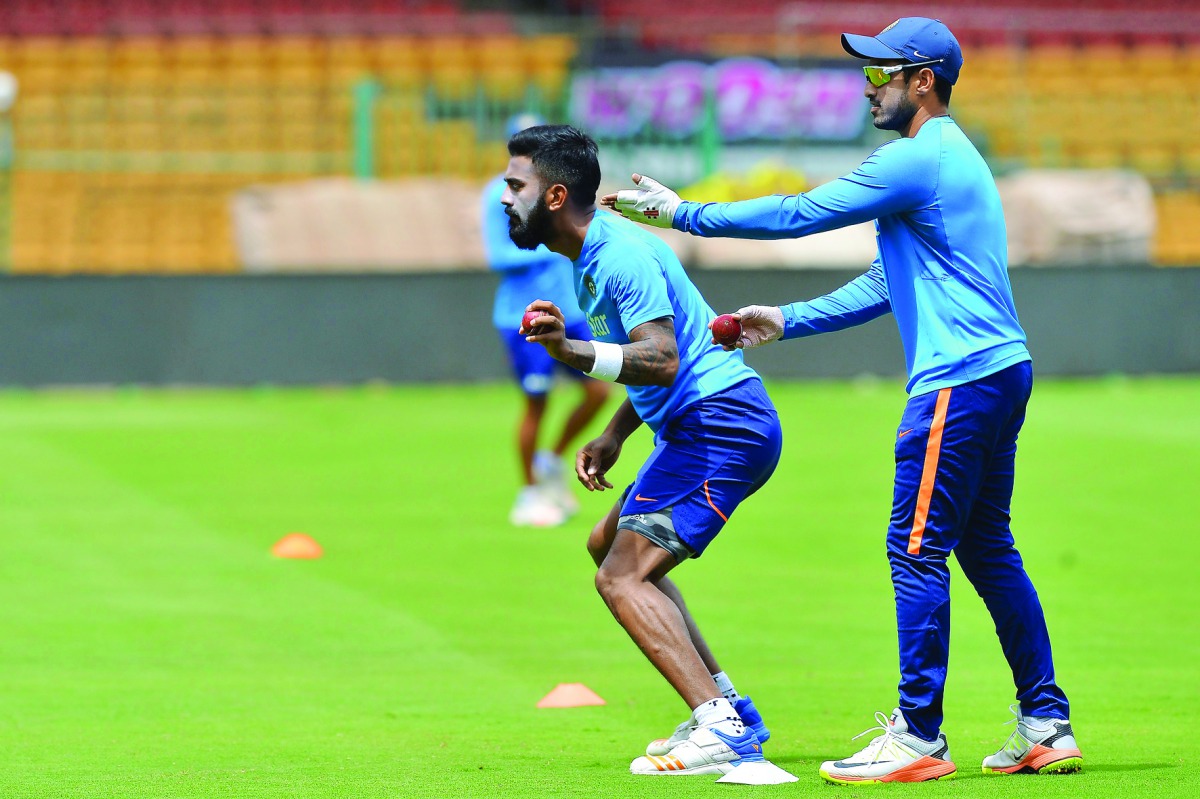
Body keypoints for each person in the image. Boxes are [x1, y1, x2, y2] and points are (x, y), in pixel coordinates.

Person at [603, 17, 1083, 785]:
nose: (867, 88)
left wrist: (682, 214)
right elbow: (888, 283)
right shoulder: (954, 159)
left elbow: (801, 213)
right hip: (999, 371)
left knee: (915, 548)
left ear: (923, 80)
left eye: (880, 74)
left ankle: (919, 735)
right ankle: (1045, 721)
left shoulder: (915, 158)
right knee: (988, 548)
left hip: (957, 382)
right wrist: (786, 318)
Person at [501, 124, 794, 784]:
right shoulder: (594, 255)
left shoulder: (620, 256)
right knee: (608, 545)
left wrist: (568, 351)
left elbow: (661, 359)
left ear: (554, 195)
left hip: (720, 423)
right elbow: (668, 352)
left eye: (515, 185)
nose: (504, 197)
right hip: (703, 421)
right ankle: (729, 709)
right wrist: (616, 432)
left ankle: (719, 727)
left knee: (621, 577)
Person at [482, 114, 610, 527]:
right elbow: (498, 255)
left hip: (570, 312)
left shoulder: (559, 191)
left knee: (599, 392)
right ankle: (528, 492)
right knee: (537, 402)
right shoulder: (499, 194)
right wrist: (552, 239)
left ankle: (551, 461)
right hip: (525, 315)